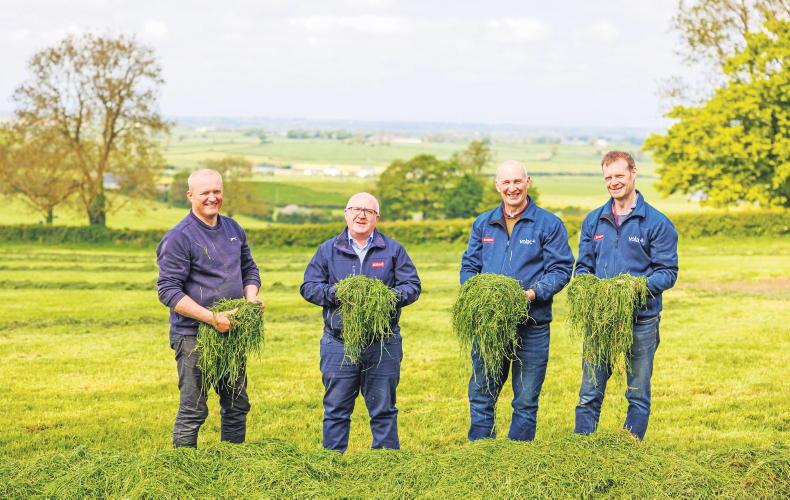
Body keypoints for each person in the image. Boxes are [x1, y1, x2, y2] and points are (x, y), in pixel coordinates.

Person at [460, 160, 574, 441]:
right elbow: (469, 266)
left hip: (532, 324)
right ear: (497, 185)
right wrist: (477, 294)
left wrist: (533, 294)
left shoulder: (548, 224)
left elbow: (561, 270)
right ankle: (480, 454)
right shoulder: (483, 223)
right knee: (481, 393)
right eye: (506, 183)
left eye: (517, 182)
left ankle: (517, 455)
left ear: (528, 182)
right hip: (489, 325)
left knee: (525, 399)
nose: (512, 188)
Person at [300, 192, 421, 452]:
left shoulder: (393, 250)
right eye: (355, 209)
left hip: (383, 343)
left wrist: (384, 297)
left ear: (377, 217)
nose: (361, 215)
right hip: (338, 343)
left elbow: (412, 286)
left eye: (368, 210)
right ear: (346, 214)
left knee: (384, 409)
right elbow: (309, 287)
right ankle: (332, 464)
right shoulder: (328, 249)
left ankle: (385, 464)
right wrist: (336, 293)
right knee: (336, 409)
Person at [573, 151, 678, 440]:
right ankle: (581, 448)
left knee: (638, 392)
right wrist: (586, 287)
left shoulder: (656, 222)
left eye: (619, 175)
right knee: (589, 391)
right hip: (601, 320)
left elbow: (668, 272)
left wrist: (636, 287)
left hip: (641, 320)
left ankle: (630, 455)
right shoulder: (594, 221)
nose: (614, 182)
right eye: (608, 177)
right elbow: (583, 266)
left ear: (633, 173)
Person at [156, 168, 263, 448]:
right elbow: (168, 291)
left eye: (217, 191)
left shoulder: (233, 229)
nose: (212, 197)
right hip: (193, 335)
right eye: (205, 192)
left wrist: (251, 298)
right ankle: (182, 470)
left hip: (232, 331)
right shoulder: (179, 237)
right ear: (190, 195)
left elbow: (249, 268)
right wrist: (212, 318)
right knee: (193, 409)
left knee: (237, 405)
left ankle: (232, 461)